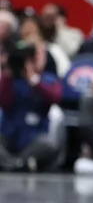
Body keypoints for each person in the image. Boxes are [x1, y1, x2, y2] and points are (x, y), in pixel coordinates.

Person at [0, 42, 62, 171]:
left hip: (35, 136)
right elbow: (3, 102)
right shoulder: (10, 81)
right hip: (9, 134)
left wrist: (33, 79)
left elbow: (55, 98)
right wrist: (7, 73)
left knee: (48, 144)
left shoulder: (46, 79)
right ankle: (15, 163)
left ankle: (18, 162)